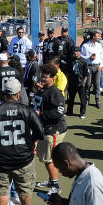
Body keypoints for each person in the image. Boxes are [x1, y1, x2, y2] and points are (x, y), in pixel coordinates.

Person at [36, 64, 68, 195]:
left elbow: (59, 112)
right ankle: (51, 180)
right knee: (46, 158)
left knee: (49, 159)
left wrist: (41, 114)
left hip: (53, 130)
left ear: (53, 78)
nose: (42, 78)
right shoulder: (43, 89)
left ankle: (56, 185)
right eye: (42, 75)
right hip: (46, 128)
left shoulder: (55, 92)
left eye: (45, 76)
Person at [81, 30, 103, 108]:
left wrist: (101, 66)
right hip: (88, 67)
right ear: (93, 36)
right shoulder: (85, 46)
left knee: (97, 85)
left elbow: (102, 57)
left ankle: (98, 101)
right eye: (97, 36)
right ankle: (87, 100)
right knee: (88, 84)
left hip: (97, 67)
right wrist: (89, 58)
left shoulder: (99, 45)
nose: (99, 37)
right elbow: (82, 57)